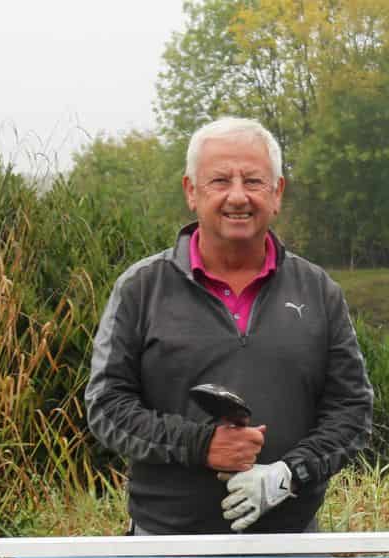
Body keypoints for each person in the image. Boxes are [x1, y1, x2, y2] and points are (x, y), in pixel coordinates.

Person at [86, 117, 373, 535]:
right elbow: (107, 405)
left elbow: (352, 412)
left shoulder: (318, 289)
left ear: (277, 194)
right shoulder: (141, 287)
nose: (238, 196)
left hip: (291, 551)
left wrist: (288, 475)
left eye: (254, 181)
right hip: (166, 547)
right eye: (219, 180)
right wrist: (200, 446)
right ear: (191, 191)